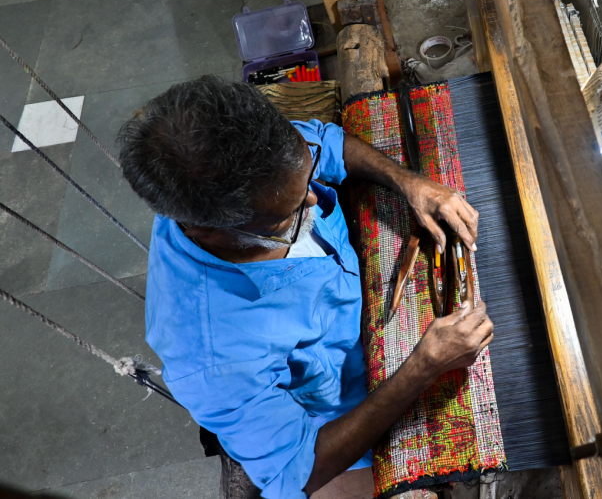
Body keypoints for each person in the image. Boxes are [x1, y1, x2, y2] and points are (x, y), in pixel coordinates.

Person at [118, 76, 494, 499]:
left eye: (307, 181)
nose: (314, 200)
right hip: (342, 427)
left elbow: (326, 144)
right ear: (215, 232)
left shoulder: (256, 154)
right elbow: (299, 471)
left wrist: (407, 182)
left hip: (372, 337)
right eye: (290, 214)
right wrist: (422, 367)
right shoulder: (209, 356)